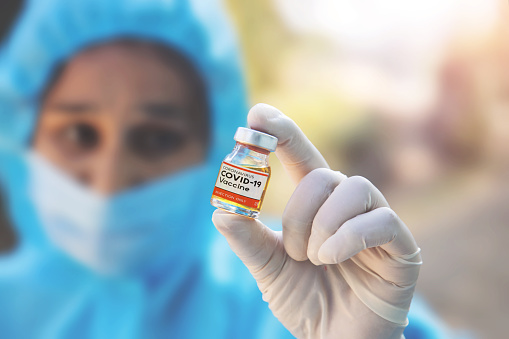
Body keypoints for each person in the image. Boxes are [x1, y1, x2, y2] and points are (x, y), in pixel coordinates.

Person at [0, 0, 437, 338]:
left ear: (209, 149)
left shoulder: (301, 289)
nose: (111, 176)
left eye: (156, 138)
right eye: (78, 134)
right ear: (26, 136)